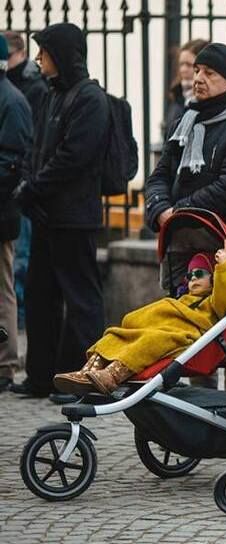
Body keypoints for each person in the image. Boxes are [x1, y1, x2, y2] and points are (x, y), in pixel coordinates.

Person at [144, 42, 226, 390]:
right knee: (188, 334)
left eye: (208, 73)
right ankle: (201, 421)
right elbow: (159, 176)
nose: (197, 78)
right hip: (181, 245)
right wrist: (160, 210)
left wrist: (179, 212)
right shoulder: (184, 122)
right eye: (197, 70)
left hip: (225, 250)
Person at [10, 23, 109, 398]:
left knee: (81, 300)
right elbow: (41, 149)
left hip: (75, 216)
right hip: (48, 214)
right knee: (40, 296)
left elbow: (73, 157)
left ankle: (81, 379)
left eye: (45, 53)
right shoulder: (53, 95)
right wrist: (32, 188)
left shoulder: (89, 99)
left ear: (63, 55)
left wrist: (34, 186)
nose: (38, 60)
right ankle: (42, 375)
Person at [52, 243, 226, 395]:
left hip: (183, 337)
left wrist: (224, 267)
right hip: (164, 330)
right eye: (189, 276)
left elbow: (225, 297)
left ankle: (112, 375)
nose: (193, 279)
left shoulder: (212, 303)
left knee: (150, 341)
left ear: (213, 278)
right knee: (116, 335)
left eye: (199, 274)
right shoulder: (183, 299)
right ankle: (88, 372)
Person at [4, 31, 47, 333]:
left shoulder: (18, 96)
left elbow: (15, 158)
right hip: (13, 198)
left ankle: (6, 362)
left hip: (10, 202)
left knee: (13, 273)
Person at [0, 35, 34, 391]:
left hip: (3, 211)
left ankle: (5, 363)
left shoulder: (11, 100)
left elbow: (13, 162)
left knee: (3, 288)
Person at [164, 38, 208, 133]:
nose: (183, 70)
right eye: (181, 64)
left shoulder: (208, 99)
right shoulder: (178, 94)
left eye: (189, 65)